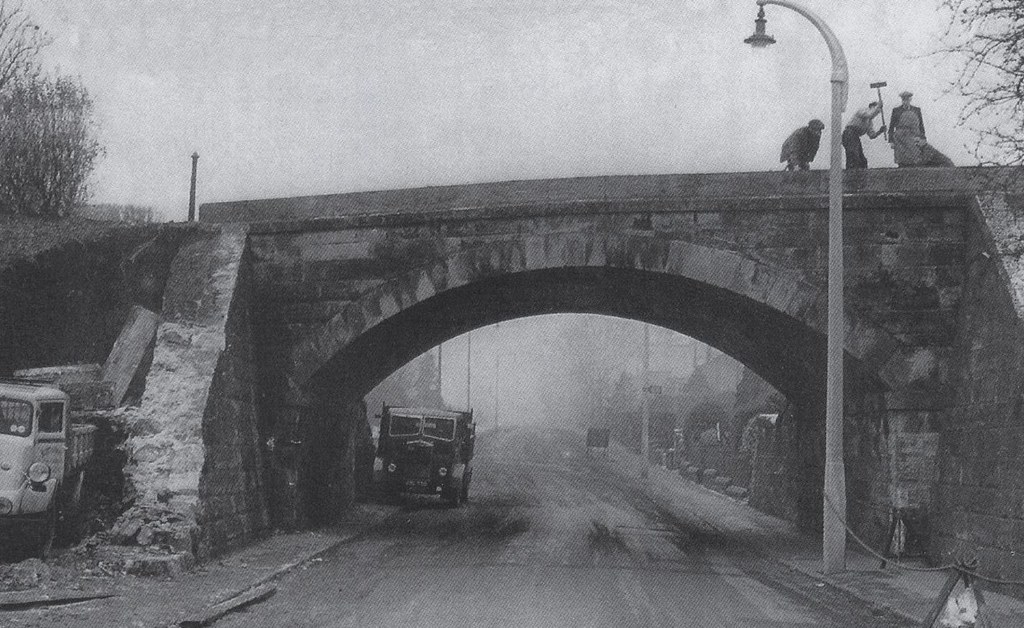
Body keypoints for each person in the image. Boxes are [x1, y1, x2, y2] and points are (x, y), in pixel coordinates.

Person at [842, 102, 886, 169]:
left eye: (878, 112)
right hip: (849, 134)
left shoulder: (869, 122)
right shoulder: (862, 111)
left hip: (855, 136)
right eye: (877, 111)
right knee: (853, 157)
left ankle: (860, 177)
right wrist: (878, 107)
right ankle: (851, 176)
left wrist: (880, 131)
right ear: (871, 108)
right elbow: (869, 114)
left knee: (862, 161)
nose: (877, 113)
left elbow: (872, 135)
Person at [888, 91, 925, 166]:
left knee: (914, 156)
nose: (905, 101)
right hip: (900, 137)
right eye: (904, 99)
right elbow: (891, 126)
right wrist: (891, 140)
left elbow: (921, 125)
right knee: (901, 158)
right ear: (902, 100)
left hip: (913, 136)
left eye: (907, 99)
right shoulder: (896, 110)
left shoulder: (916, 110)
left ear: (910, 99)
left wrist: (923, 138)